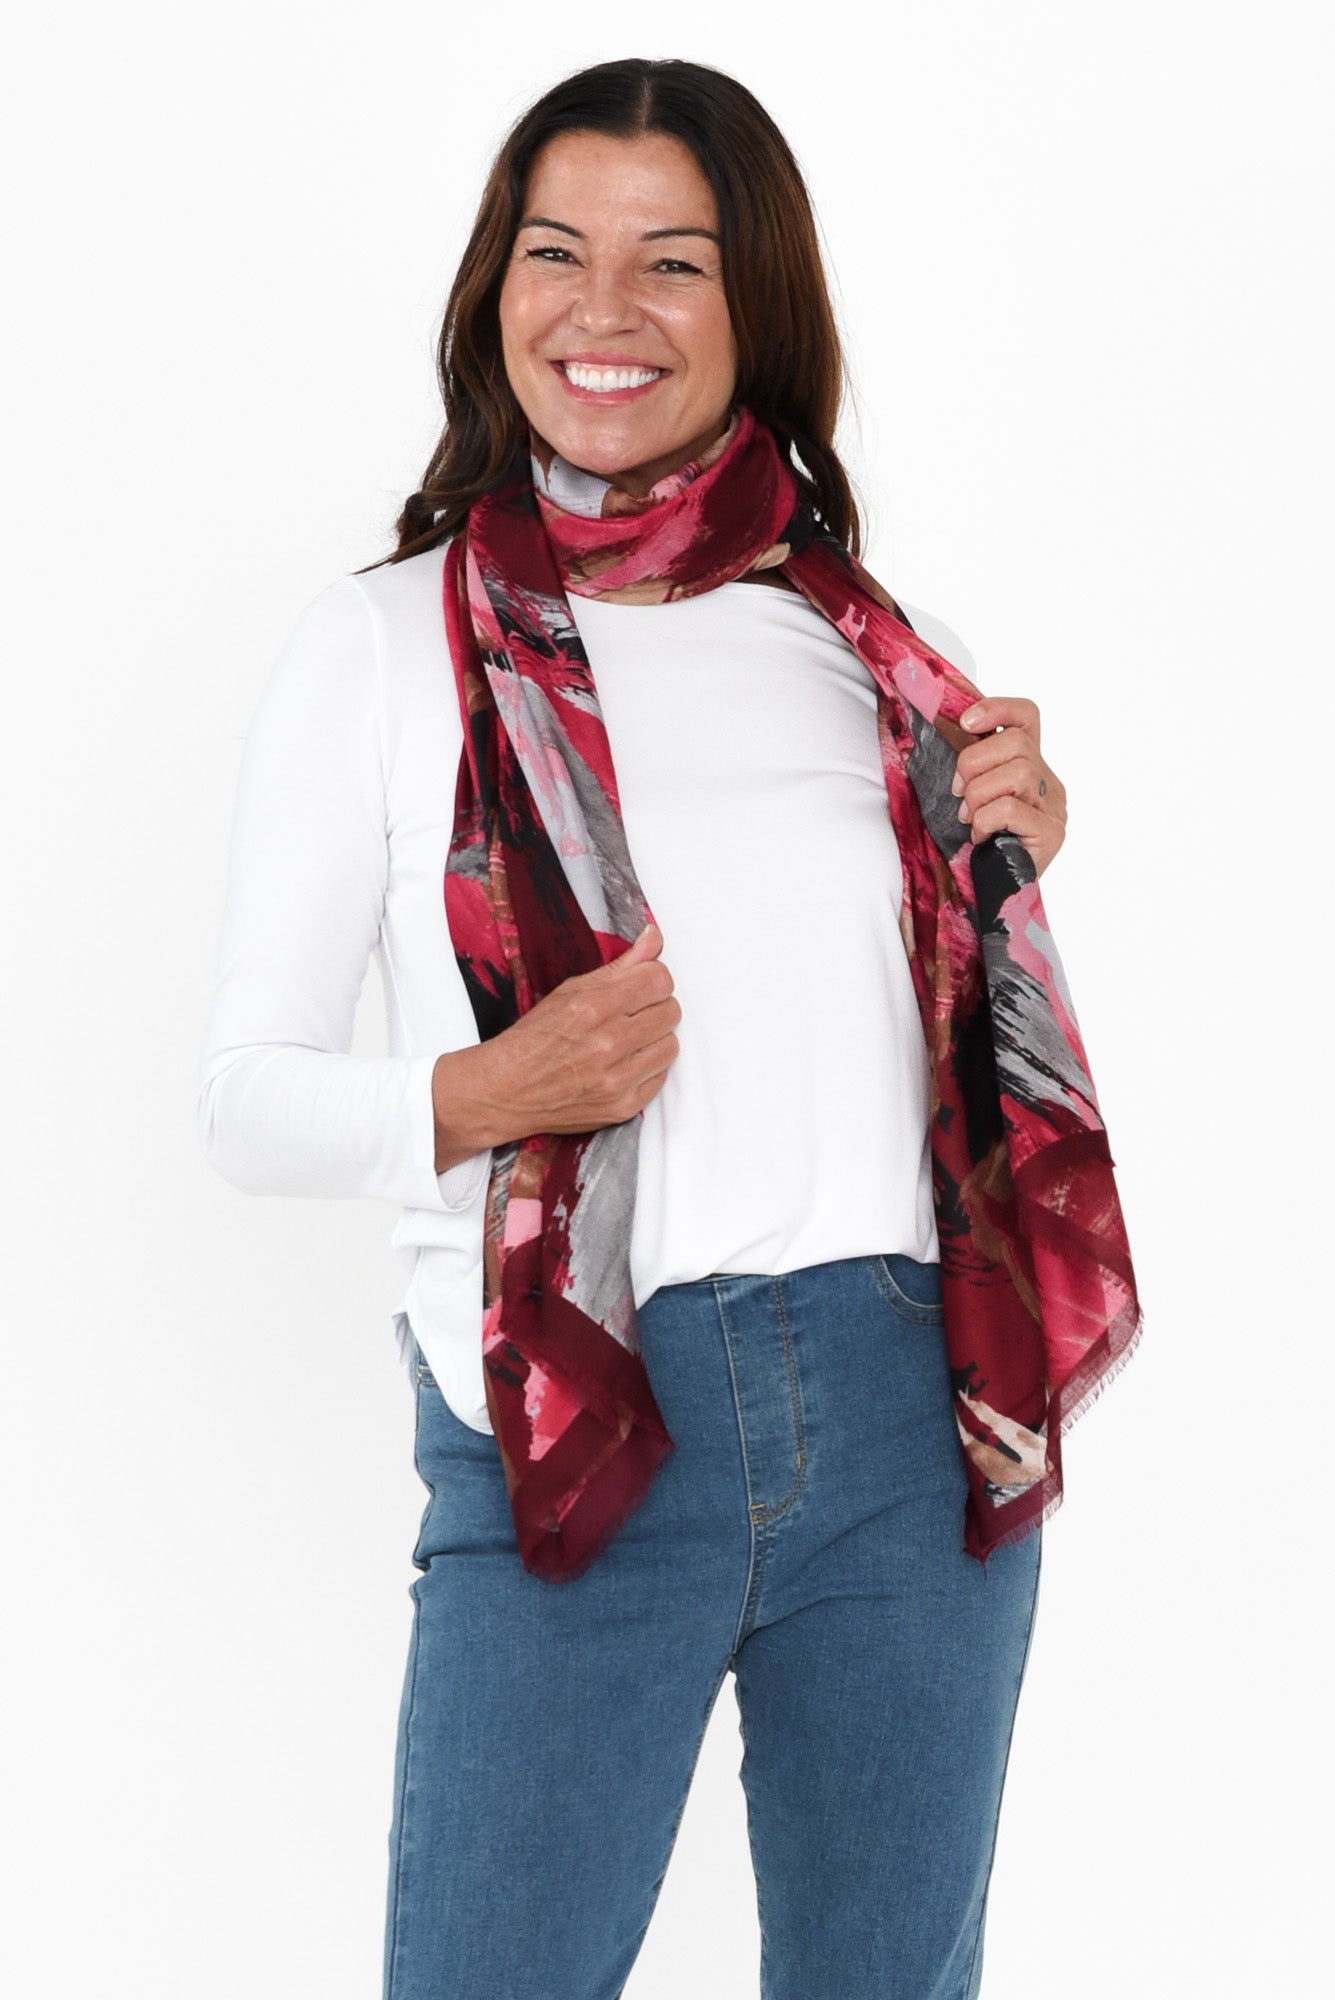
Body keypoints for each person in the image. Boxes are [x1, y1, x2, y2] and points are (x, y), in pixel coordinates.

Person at [198, 55, 1141, 2000]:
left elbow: (946, 1051)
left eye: (672, 261)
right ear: (495, 288)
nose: (601, 309)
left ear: (753, 304)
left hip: (904, 1412)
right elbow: (244, 1101)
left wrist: (1005, 851)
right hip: (573, 1415)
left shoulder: (874, 648)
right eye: (555, 252)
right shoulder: (378, 646)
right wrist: (489, 1089)